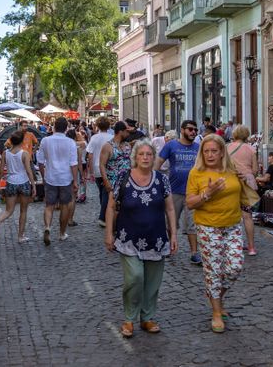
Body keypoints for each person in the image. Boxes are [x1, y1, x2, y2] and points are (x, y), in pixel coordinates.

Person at [104, 140, 178, 338]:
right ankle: (129, 318)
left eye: (149, 154)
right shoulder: (123, 177)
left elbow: (170, 208)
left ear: (154, 157)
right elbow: (111, 207)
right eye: (141, 154)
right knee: (135, 277)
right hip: (128, 239)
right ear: (135, 158)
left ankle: (147, 317)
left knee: (153, 282)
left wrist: (174, 234)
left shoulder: (162, 180)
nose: (145, 158)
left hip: (156, 238)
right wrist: (109, 234)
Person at [185, 134, 245, 334]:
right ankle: (217, 312)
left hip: (233, 225)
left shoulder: (232, 170)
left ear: (222, 153)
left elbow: (245, 194)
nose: (210, 155)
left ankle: (215, 295)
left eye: (214, 151)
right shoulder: (196, 173)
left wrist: (248, 180)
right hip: (208, 226)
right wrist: (207, 194)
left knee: (234, 268)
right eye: (206, 151)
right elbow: (190, 203)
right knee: (213, 270)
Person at [154, 120, 202, 266]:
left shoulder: (199, 148)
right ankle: (170, 245)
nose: (193, 132)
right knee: (170, 223)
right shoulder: (171, 145)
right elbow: (157, 164)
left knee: (192, 224)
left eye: (195, 130)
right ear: (182, 130)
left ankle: (194, 253)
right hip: (174, 191)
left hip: (193, 192)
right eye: (190, 129)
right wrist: (156, 183)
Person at [37, 117, 79, 245]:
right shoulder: (71, 142)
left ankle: (48, 228)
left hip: (50, 177)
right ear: (66, 128)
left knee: (49, 206)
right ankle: (62, 233)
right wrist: (75, 181)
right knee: (65, 206)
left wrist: (44, 176)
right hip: (66, 178)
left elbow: (40, 162)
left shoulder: (45, 140)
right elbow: (74, 164)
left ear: (54, 127)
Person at [0, 131, 37, 243]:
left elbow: (1, 170)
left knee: (8, 210)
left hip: (11, 182)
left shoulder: (5, 153)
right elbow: (28, 170)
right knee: (23, 211)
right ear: (22, 141)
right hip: (24, 182)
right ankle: (20, 236)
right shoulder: (25, 153)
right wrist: (33, 185)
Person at [228, 125, 259, 256]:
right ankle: (251, 247)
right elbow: (255, 170)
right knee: (247, 216)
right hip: (247, 182)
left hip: (231, 181)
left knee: (230, 214)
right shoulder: (251, 149)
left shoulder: (226, 147)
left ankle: (232, 244)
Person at [99, 121, 132, 227]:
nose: (128, 133)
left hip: (127, 182)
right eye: (126, 131)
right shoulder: (108, 146)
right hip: (112, 182)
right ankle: (112, 228)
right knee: (112, 207)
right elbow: (102, 165)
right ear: (120, 131)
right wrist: (106, 181)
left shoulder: (127, 145)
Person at [86, 117, 114, 226]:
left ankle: (104, 214)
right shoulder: (111, 138)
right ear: (109, 126)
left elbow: (90, 155)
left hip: (97, 168)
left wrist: (91, 171)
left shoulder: (94, 138)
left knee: (102, 192)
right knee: (106, 192)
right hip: (108, 168)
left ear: (97, 126)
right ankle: (103, 216)